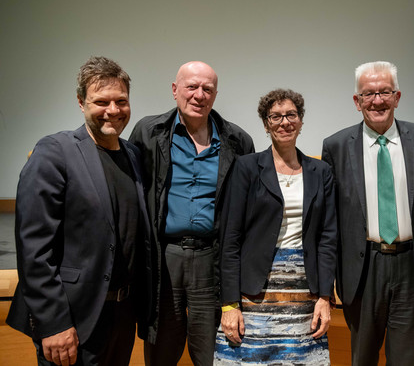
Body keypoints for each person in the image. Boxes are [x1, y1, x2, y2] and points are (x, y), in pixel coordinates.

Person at [7, 56, 153, 366]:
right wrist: (55, 323)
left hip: (121, 317)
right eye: (101, 101)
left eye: (121, 101)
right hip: (72, 319)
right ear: (80, 102)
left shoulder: (134, 155)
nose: (112, 110)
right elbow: (34, 250)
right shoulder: (55, 153)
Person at [322, 61, 414, 365]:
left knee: (405, 359)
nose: (377, 101)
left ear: (397, 97)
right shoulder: (336, 147)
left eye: (384, 92)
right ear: (357, 101)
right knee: (362, 357)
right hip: (362, 268)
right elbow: (330, 222)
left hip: (411, 267)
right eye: (368, 94)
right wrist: (327, 282)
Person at [129, 61, 254, 366]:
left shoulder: (238, 141)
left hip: (210, 260)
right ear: (175, 90)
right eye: (191, 87)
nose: (199, 95)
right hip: (164, 258)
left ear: (215, 94)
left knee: (211, 354)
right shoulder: (148, 132)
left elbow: (246, 209)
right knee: (161, 351)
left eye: (207, 89)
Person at [214, 88, 337, 365]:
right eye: (276, 117)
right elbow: (230, 239)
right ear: (266, 124)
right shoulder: (246, 167)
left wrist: (325, 297)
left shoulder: (321, 172)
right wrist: (230, 304)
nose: (285, 122)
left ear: (301, 120)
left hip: (305, 292)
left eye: (291, 115)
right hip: (254, 291)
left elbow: (327, 238)